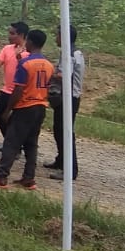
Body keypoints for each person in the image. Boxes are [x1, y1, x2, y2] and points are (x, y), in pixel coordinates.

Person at [0, 29, 54, 189]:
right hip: (40, 106)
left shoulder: (25, 64)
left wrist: (8, 110)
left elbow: (19, 90)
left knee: (11, 142)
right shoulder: (49, 65)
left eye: (27, 40)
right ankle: (29, 178)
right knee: (31, 144)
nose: (25, 43)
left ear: (31, 42)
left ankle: (1, 177)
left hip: (25, 106)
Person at [47, 26, 85, 179]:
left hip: (68, 98)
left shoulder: (68, 55)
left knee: (65, 133)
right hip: (71, 97)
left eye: (57, 35)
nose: (55, 37)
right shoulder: (77, 52)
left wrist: (49, 73)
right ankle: (61, 161)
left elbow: (63, 75)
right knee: (59, 130)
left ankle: (71, 170)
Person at [0, 21, 28, 138]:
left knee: (15, 120)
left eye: (12, 33)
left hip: (20, 92)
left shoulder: (29, 51)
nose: (9, 36)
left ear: (21, 35)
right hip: (6, 90)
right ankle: (10, 142)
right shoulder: (7, 48)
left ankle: (13, 145)